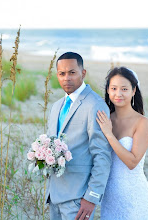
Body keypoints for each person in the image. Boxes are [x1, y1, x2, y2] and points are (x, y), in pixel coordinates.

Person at [46, 52, 112, 220]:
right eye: (62, 74)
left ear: (83, 73)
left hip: (78, 199)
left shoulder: (95, 105)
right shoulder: (56, 107)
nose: (66, 78)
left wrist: (91, 197)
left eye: (72, 72)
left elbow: (102, 155)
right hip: (54, 195)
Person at [96, 67, 148, 219]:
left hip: (134, 197)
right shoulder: (105, 119)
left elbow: (132, 161)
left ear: (134, 90)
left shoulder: (142, 123)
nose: (118, 94)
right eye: (114, 88)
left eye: (124, 89)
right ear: (108, 90)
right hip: (110, 196)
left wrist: (109, 134)